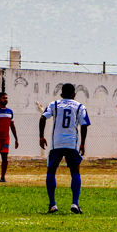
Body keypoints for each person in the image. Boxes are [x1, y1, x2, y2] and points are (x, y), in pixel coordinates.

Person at [40, 83, 90, 214]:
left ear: (61, 94)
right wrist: (83, 143)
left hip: (56, 143)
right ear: (74, 94)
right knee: (75, 171)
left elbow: (43, 117)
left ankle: (52, 204)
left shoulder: (54, 104)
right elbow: (84, 125)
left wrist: (41, 136)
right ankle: (75, 203)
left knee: (51, 171)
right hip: (71, 143)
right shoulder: (79, 106)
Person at [0, 92, 19, 182]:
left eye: (6, 98)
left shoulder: (10, 112)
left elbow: (12, 125)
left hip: (5, 139)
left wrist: (16, 138)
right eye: (3, 98)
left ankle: (3, 177)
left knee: (5, 157)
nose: (5, 99)